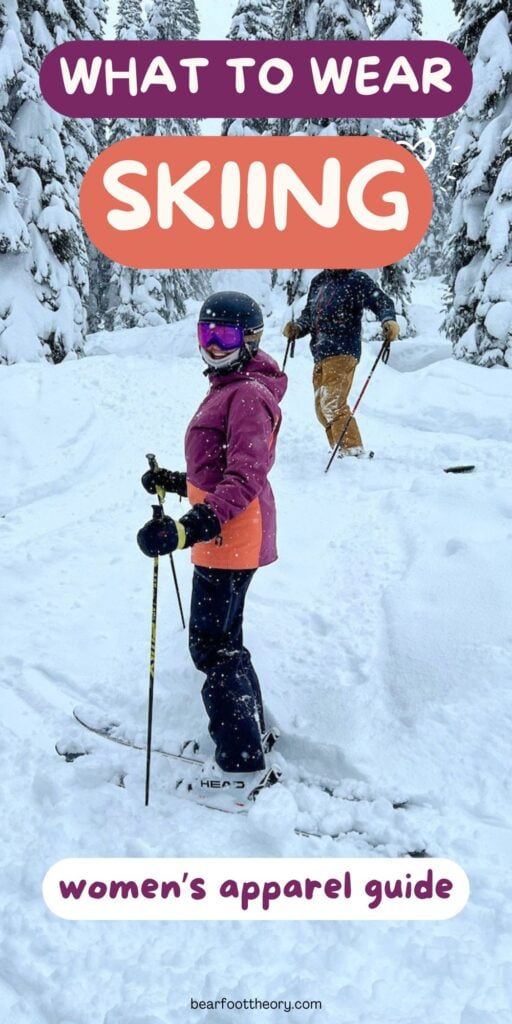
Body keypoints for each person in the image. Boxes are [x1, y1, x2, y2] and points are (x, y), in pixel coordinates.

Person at [137, 291, 287, 802]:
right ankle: (249, 734)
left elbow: (244, 475)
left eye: (225, 337)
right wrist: (177, 481)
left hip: (229, 537)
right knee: (226, 640)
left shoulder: (245, 394)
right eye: (207, 336)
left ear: (250, 341)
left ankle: (241, 763)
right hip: (228, 534)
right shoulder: (232, 386)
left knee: (211, 646)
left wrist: (188, 527)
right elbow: (218, 466)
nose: (214, 348)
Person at [282, 269, 400, 455]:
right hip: (321, 353)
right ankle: (340, 449)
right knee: (321, 409)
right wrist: (297, 328)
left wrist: (388, 319)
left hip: (343, 350)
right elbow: (309, 315)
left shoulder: (356, 279)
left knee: (332, 403)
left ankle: (352, 449)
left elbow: (381, 301)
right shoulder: (319, 281)